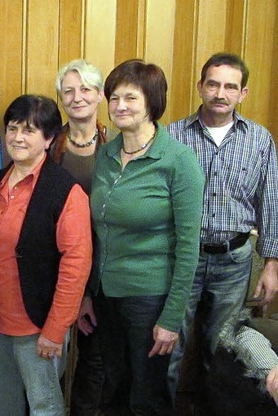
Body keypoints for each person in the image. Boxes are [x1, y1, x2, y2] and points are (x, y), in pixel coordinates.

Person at [89, 59, 204, 414]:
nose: (119, 106)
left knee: (147, 394)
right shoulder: (106, 153)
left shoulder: (178, 160)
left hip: (150, 298)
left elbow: (189, 248)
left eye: (130, 98)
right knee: (114, 386)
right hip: (107, 294)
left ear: (152, 102)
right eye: (114, 97)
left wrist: (171, 318)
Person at [0, 94, 93, 415]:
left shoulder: (65, 191)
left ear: (49, 138)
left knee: (44, 405)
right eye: (12, 128)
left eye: (29, 131)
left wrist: (55, 329)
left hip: (37, 327)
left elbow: (76, 267)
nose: (17, 138)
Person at [166, 52, 278, 401]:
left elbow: (271, 203)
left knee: (223, 350)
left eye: (231, 86)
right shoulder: (171, 137)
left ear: (242, 93)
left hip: (235, 260)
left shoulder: (259, 140)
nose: (220, 93)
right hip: (182, 258)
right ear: (200, 87)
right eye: (213, 84)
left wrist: (272, 264)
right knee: (170, 346)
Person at [50, 59, 112, 415]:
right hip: (55, 265)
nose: (77, 98)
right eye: (69, 90)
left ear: (100, 96)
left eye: (85, 89)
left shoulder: (117, 148)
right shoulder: (48, 146)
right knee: (51, 355)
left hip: (102, 270)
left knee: (95, 362)